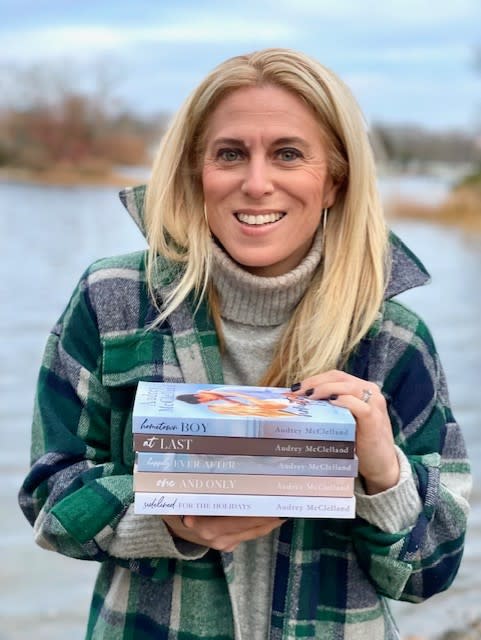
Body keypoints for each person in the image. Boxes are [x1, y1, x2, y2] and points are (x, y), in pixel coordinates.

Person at [19, 48, 471, 639]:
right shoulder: (113, 299)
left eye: (288, 154)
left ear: (335, 180)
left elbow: (426, 574)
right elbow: (48, 498)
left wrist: (383, 472)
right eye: (230, 154)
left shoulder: (393, 338)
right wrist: (175, 519)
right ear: (196, 172)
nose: (257, 184)